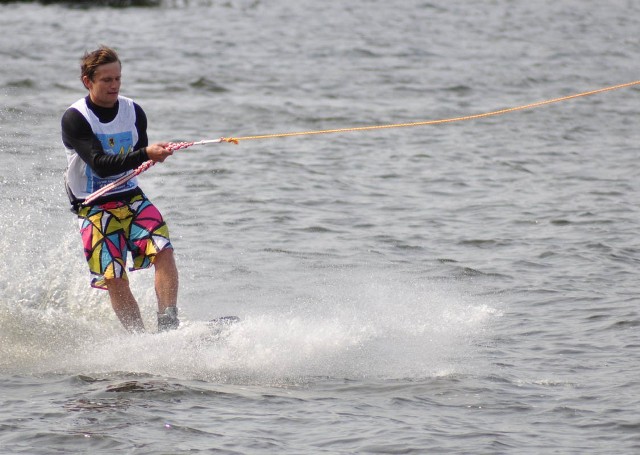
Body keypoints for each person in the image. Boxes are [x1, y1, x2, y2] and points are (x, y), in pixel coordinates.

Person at [61, 45, 179, 333]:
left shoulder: (133, 111)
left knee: (163, 250)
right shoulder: (75, 118)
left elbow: (139, 156)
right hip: (93, 205)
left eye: (117, 79)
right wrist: (146, 154)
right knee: (114, 275)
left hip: (131, 196)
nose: (114, 85)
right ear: (88, 81)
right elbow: (100, 164)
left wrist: (156, 153)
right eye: (106, 80)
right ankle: (139, 340)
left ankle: (168, 326)